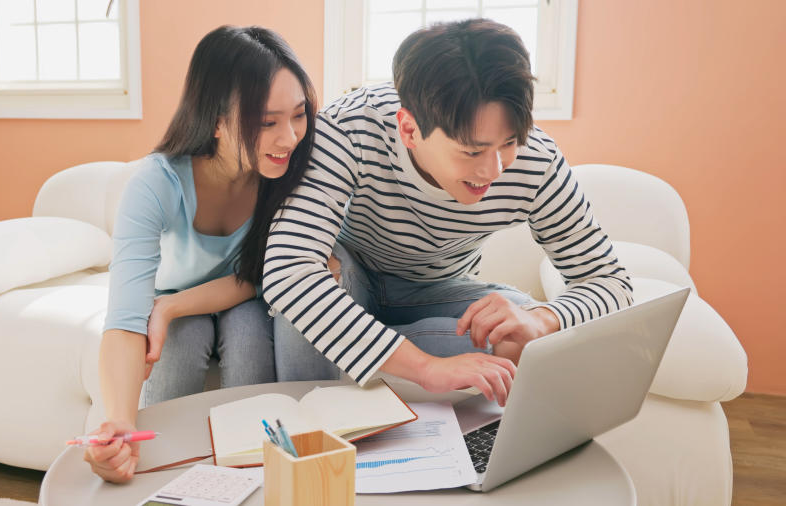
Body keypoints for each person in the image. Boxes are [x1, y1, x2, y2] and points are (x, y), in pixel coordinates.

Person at [264, 19, 633, 407]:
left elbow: (611, 282)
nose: (494, 170)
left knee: (523, 332)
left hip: (438, 288)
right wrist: (425, 368)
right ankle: (317, 427)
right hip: (351, 278)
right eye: (472, 151)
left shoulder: (536, 162)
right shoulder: (350, 128)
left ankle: (378, 359)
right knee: (315, 282)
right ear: (409, 129)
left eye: (508, 143)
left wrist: (542, 319)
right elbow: (289, 272)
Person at [84, 25, 317, 483]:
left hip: (243, 299)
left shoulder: (297, 171)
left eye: (299, 115)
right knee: (175, 339)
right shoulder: (155, 185)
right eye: (266, 122)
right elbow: (127, 318)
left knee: (250, 332)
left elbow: (267, 274)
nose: (290, 138)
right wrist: (119, 421)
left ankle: (259, 477)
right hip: (172, 310)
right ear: (214, 119)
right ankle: (157, 473)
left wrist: (174, 305)